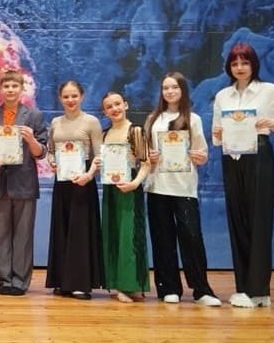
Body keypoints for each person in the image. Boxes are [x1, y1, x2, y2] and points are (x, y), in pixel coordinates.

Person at [211, 43, 274, 308]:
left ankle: (259, 290)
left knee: (260, 222)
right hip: (232, 158)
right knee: (238, 222)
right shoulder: (223, 95)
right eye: (235, 63)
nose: (240, 68)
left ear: (253, 65)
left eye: (244, 63)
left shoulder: (269, 91)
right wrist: (218, 134)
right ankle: (244, 288)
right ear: (229, 67)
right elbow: (217, 136)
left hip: (259, 156)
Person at [143, 72, 221, 305]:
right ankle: (169, 287)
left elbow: (202, 153)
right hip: (157, 186)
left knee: (192, 238)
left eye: (174, 87)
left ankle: (202, 290)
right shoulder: (153, 119)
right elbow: (143, 154)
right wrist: (148, 155)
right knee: (162, 239)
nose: (170, 92)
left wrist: (200, 157)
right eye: (165, 88)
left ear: (183, 90)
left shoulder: (193, 119)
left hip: (184, 187)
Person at [0, 68, 48, 297]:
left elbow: (41, 152)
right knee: (1, 234)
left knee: (23, 235)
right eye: (6, 86)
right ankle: (4, 279)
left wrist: (31, 140)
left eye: (14, 86)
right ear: (0, 90)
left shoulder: (34, 116)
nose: (10, 90)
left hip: (24, 182)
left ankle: (20, 280)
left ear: (21, 89)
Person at [45, 80, 103, 300]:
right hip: (62, 182)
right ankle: (62, 281)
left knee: (80, 233)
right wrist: (52, 162)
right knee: (62, 230)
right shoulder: (55, 122)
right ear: (60, 98)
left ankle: (80, 283)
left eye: (74, 96)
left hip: (83, 182)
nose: (70, 100)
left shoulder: (91, 122)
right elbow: (51, 151)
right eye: (66, 96)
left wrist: (89, 175)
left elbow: (99, 154)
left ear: (82, 96)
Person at [99, 91, 150, 303]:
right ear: (105, 112)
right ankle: (117, 284)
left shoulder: (135, 131)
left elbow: (146, 163)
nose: (115, 109)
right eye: (109, 107)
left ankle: (133, 284)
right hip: (110, 190)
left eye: (117, 104)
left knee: (130, 237)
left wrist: (135, 184)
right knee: (113, 235)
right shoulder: (104, 135)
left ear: (126, 105)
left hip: (129, 189)